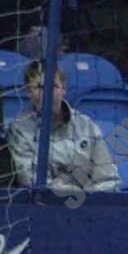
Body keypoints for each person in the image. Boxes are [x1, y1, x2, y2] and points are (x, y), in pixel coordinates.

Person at [9, 61, 119, 191]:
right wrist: (77, 195)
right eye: (39, 87)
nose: (47, 94)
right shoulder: (20, 129)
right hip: (44, 208)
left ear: (64, 89)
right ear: (28, 91)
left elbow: (108, 179)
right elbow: (32, 181)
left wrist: (88, 201)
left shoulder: (86, 125)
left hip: (90, 205)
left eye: (53, 86)